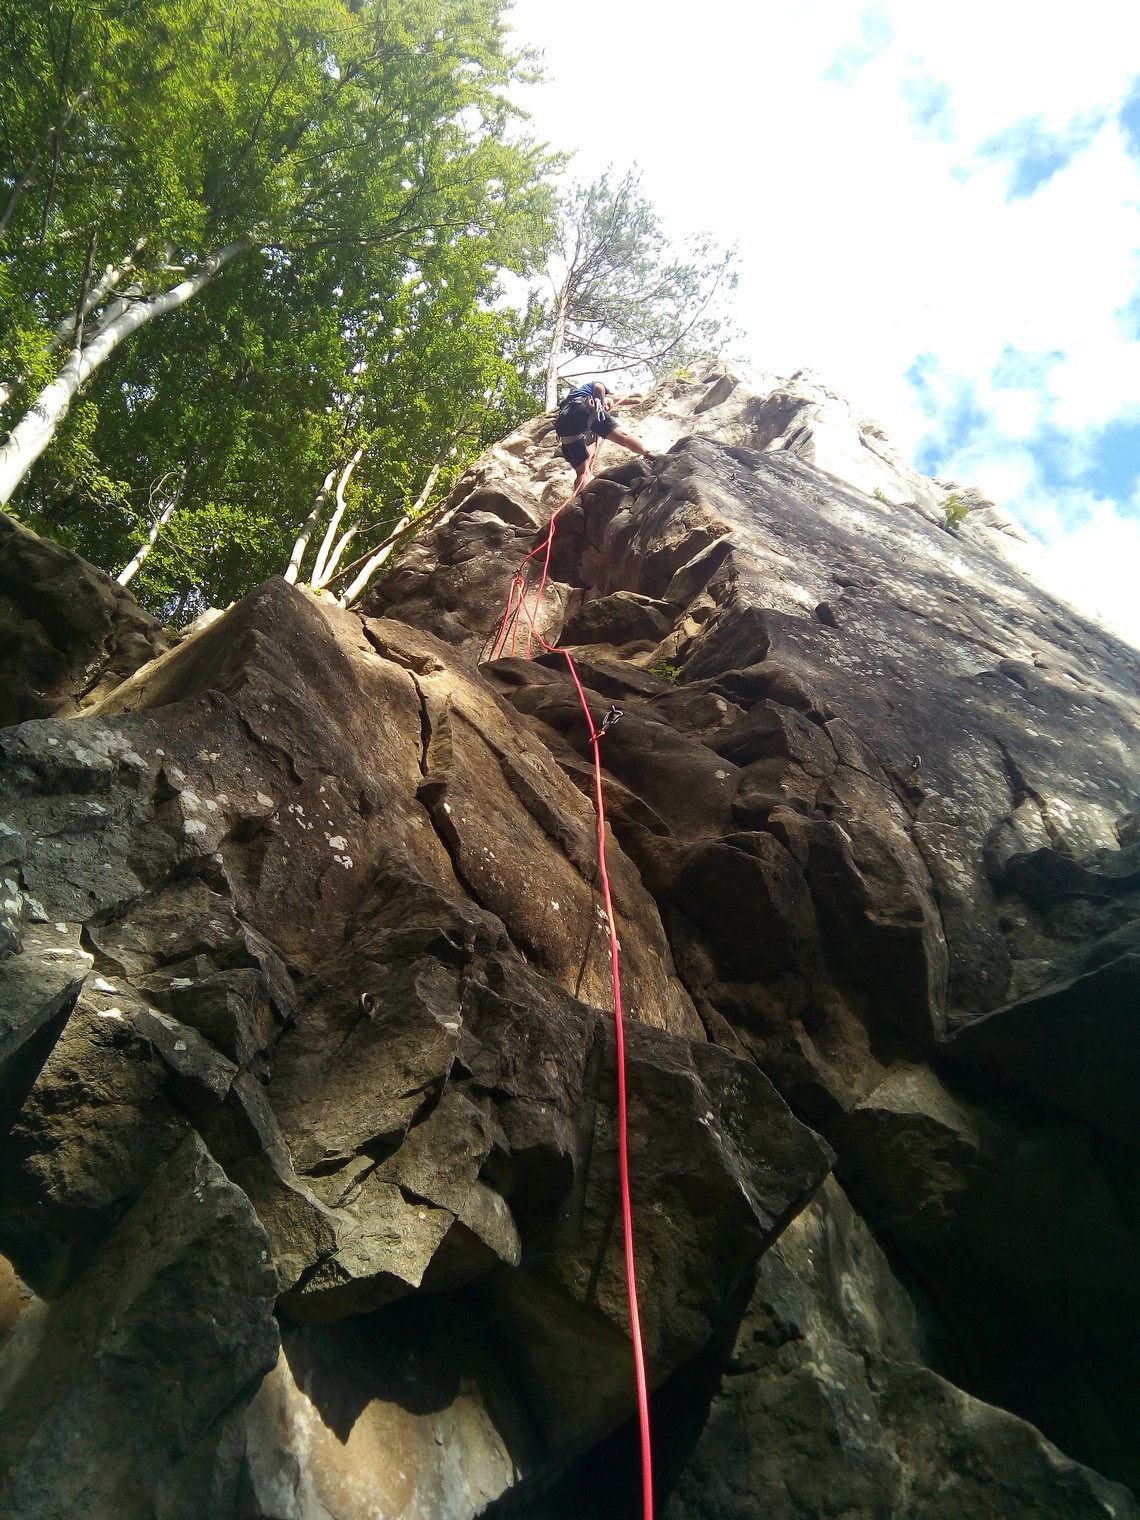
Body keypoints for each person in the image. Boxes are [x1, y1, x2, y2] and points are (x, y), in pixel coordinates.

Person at [553, 380, 648, 488]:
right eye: (608, 404)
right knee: (623, 436)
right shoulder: (594, 388)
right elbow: (599, 387)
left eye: (608, 407)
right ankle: (649, 454)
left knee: (583, 472)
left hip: (564, 424)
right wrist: (601, 402)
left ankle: (578, 496)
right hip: (582, 406)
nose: (606, 408)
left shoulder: (571, 397)